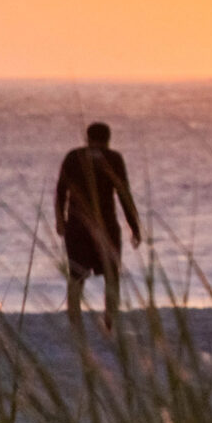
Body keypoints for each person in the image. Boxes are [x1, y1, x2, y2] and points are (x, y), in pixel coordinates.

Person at [55, 120, 141, 329]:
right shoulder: (113, 158)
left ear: (87, 137)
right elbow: (123, 193)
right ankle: (110, 321)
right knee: (111, 275)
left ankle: (75, 322)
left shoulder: (73, 156)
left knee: (76, 276)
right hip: (106, 226)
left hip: (77, 225)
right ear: (108, 140)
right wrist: (134, 226)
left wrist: (60, 220)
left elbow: (60, 192)